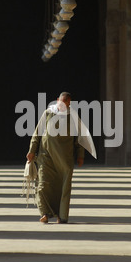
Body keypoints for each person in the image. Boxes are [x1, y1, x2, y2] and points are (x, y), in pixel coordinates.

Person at [26, 92, 85, 224]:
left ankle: (61, 216)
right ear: (58, 100)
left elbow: (79, 139)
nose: (63, 105)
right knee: (42, 185)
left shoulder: (73, 117)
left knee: (63, 187)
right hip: (45, 156)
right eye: (62, 102)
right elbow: (37, 133)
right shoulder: (48, 113)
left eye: (67, 104)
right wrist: (31, 151)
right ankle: (45, 213)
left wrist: (80, 156)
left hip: (64, 159)